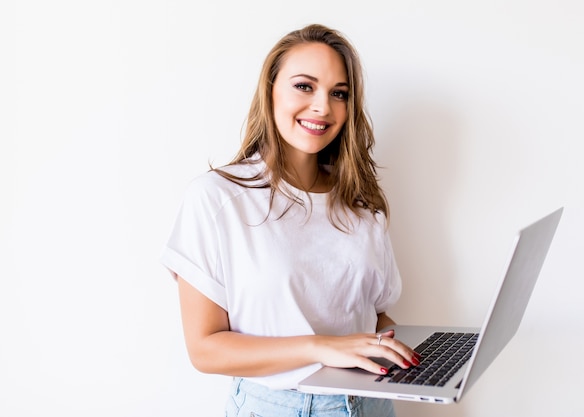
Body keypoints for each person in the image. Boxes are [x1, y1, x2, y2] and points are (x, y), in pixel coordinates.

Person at [161, 23, 419, 417]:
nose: (322, 107)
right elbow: (205, 348)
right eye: (304, 86)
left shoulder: (363, 205)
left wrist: (408, 353)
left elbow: (376, 313)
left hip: (371, 402)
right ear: (270, 91)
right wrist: (320, 346)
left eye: (339, 93)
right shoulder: (217, 199)